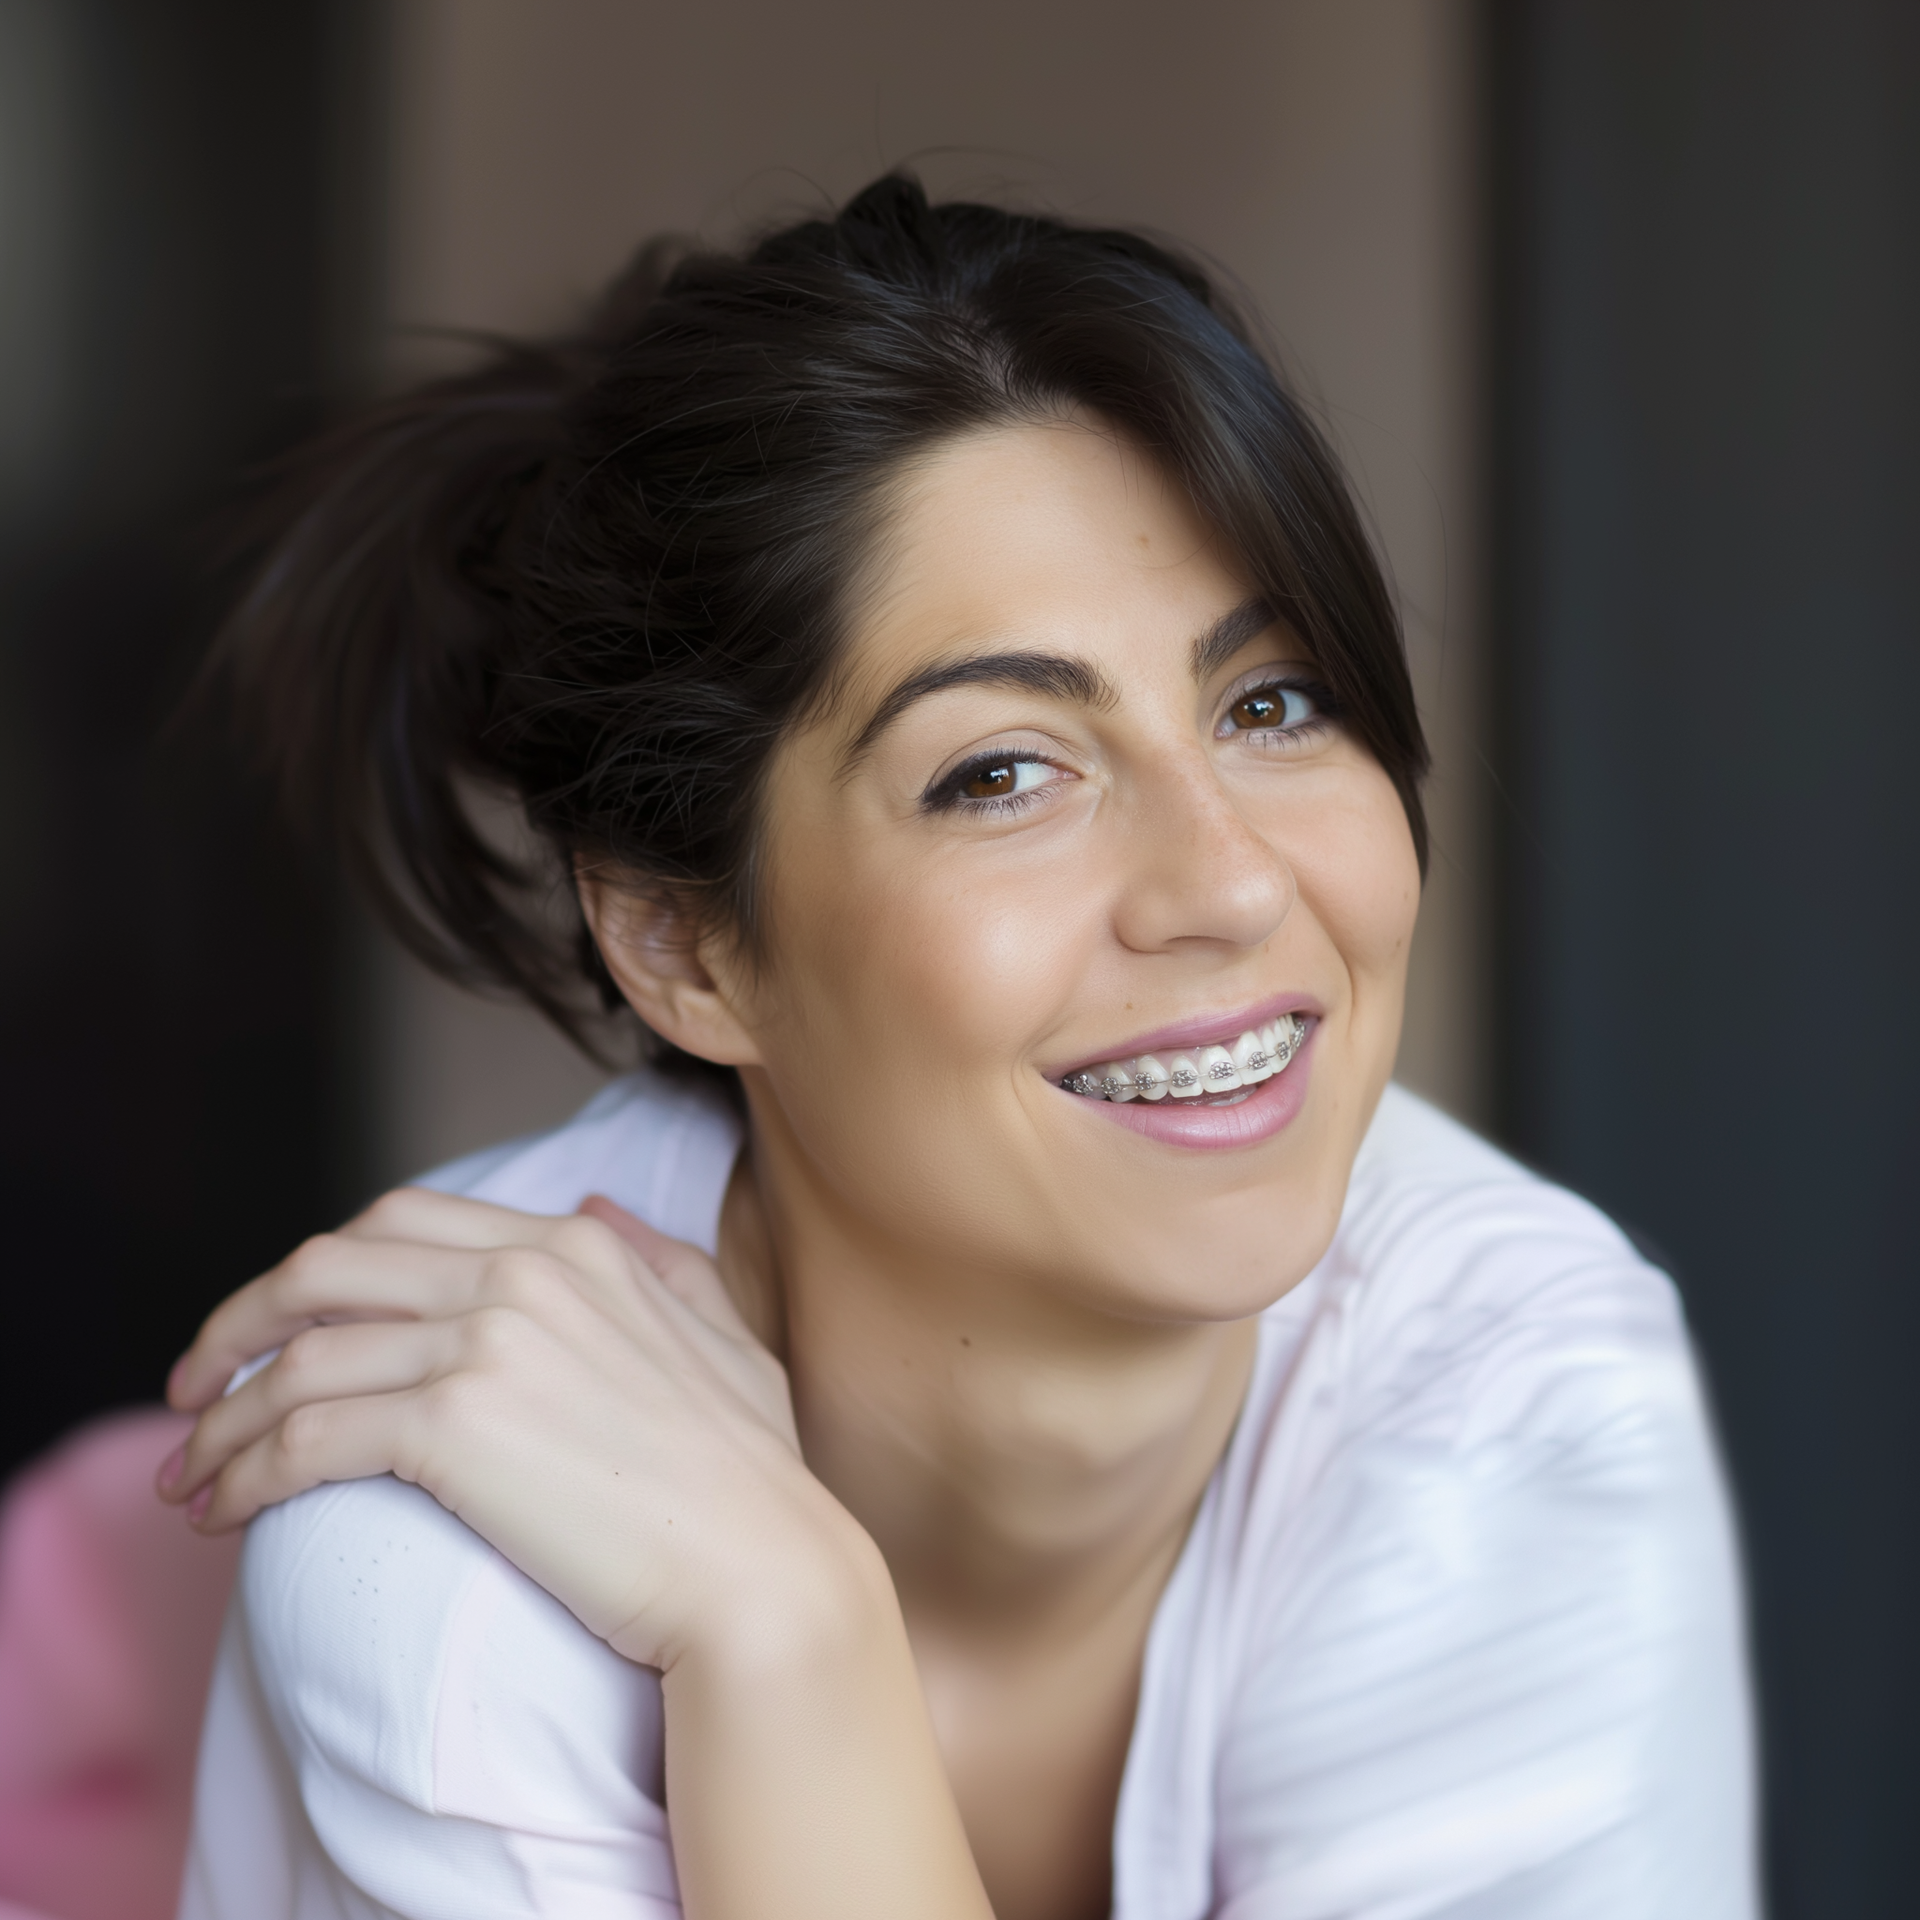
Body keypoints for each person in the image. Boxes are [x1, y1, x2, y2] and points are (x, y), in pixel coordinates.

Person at [158, 175, 1755, 1920]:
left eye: (1271, 702)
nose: (1227, 881)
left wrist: (782, 1622)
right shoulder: (451, 1509)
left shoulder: (1514, 1379)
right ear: (684, 946)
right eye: (1002, 771)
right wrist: (786, 1628)